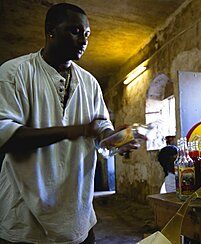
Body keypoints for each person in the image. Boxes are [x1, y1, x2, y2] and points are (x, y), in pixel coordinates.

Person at [0, 3, 138, 243]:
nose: (83, 40)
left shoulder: (89, 83)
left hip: (77, 212)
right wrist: (77, 130)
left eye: (86, 34)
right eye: (74, 31)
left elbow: (100, 127)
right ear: (50, 31)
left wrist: (114, 139)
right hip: (24, 217)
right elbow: (7, 137)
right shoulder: (14, 73)